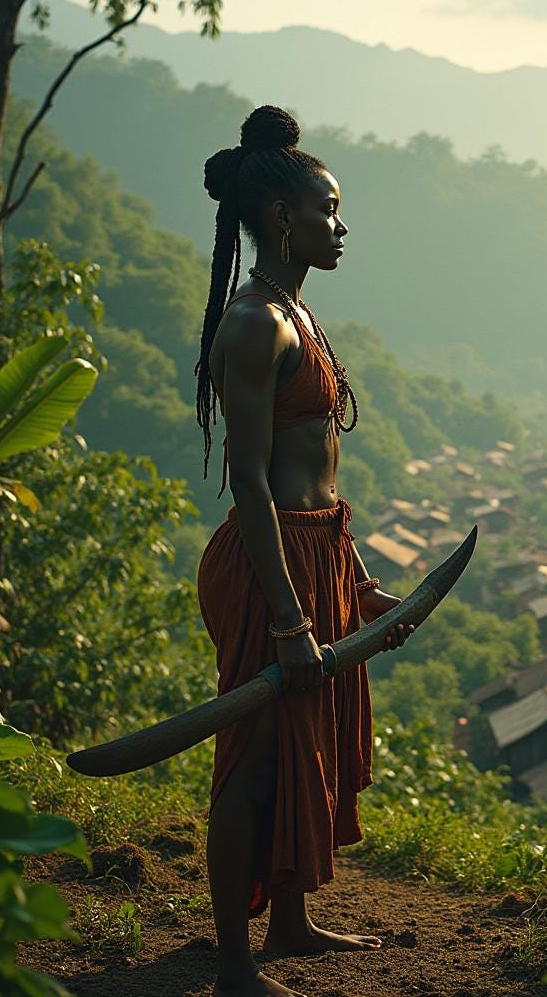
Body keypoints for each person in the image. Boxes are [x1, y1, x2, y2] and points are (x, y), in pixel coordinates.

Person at [193, 105, 415, 997]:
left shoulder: (299, 313)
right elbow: (251, 482)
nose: (341, 225)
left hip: (317, 554)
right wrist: (289, 618)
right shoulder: (255, 325)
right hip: (267, 563)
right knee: (257, 754)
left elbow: (318, 471)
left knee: (304, 740)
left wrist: (357, 586)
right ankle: (236, 964)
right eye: (327, 210)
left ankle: (289, 924)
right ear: (282, 218)